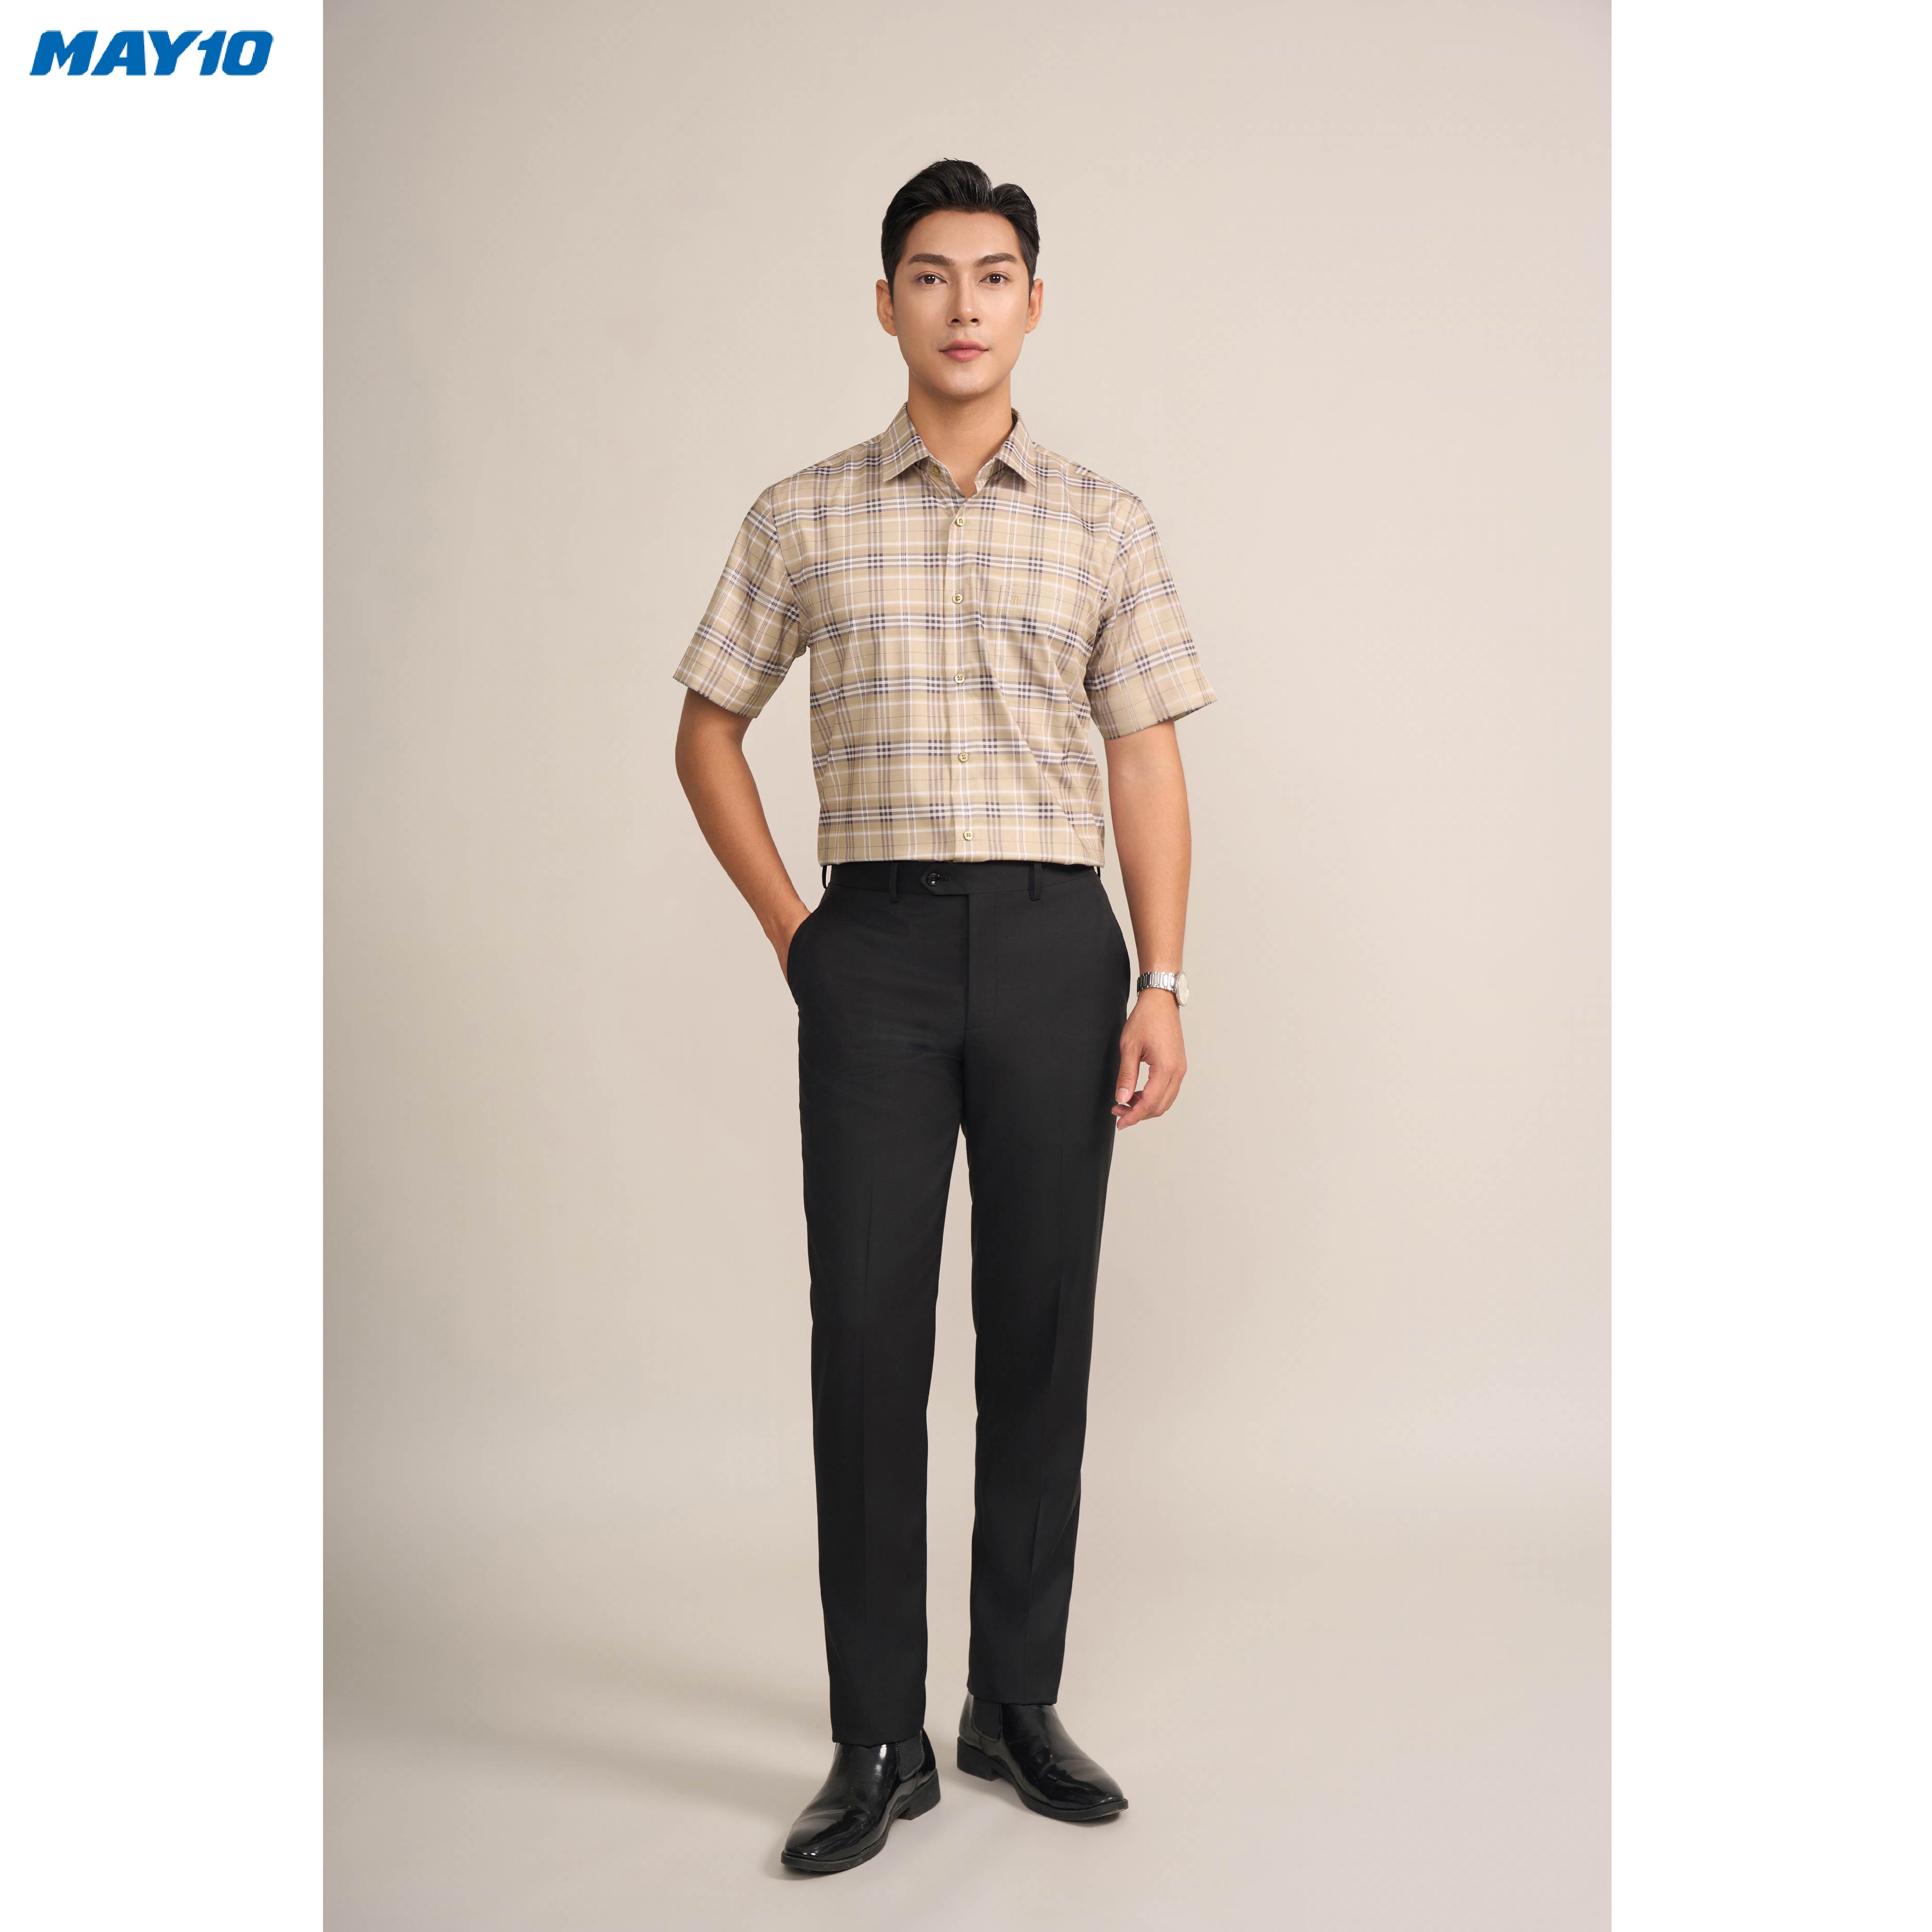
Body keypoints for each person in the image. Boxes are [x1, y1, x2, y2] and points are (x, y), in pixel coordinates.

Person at [671, 157, 1217, 1875]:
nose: (962, 304)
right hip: (879, 950)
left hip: (1059, 946)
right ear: (886, 302)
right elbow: (706, 729)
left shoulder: (1104, 520)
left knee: (1039, 1332)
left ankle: (1012, 1704)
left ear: (1033, 305)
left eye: (992, 276)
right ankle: (877, 1737)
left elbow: (1146, 758)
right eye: (930, 274)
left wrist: (1162, 978)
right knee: (866, 1340)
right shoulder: (804, 514)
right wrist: (800, 933)